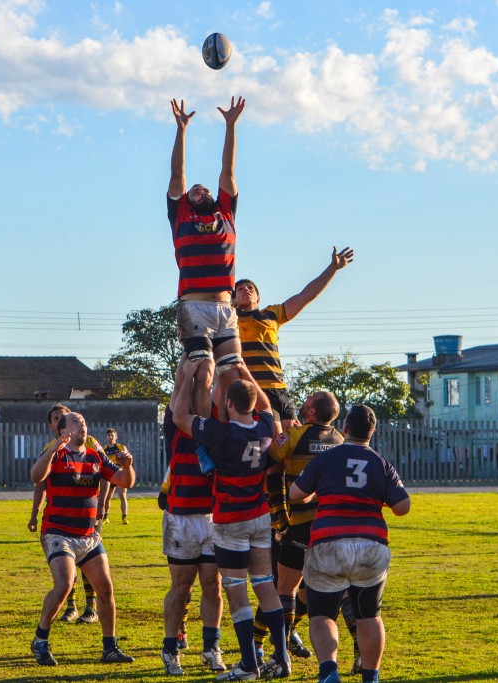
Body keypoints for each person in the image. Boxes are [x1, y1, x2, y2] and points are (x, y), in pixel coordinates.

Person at [171, 355, 290, 681]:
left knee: (236, 589)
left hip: (230, 521)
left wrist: (188, 377)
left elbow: (181, 417)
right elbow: (269, 409)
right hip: (259, 517)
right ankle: (281, 659)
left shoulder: (221, 434)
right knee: (266, 585)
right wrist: (243, 369)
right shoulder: (265, 427)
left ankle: (249, 666)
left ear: (227, 403)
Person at [288, 405, 411, 683]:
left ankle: (329, 671)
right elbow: (403, 506)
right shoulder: (381, 463)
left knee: (321, 615)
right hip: (371, 544)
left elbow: (295, 494)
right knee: (370, 616)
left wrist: (316, 493)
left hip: (329, 542)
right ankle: (371, 676)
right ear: (372, 432)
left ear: (344, 428)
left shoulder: (326, 459)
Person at [28, 411, 136, 667]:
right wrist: (54, 449)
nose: (82, 425)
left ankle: (109, 647)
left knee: (106, 589)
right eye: (76, 422)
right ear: (64, 430)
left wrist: (128, 466)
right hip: (58, 532)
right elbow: (36, 476)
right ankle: (40, 640)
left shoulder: (96, 455)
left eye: (84, 422)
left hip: (88, 535)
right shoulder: (56, 454)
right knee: (65, 584)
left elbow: (124, 481)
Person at [168, 95, 246, 419]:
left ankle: (231, 431)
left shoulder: (225, 212)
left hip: (226, 308)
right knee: (204, 369)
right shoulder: (182, 214)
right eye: (195, 191)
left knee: (235, 376)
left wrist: (231, 126)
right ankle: (202, 437)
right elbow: (178, 173)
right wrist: (182, 131)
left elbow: (228, 168)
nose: (202, 192)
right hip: (194, 305)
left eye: (205, 190)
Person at [234, 247, 354, 430]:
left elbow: (305, 295)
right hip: (257, 389)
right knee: (275, 438)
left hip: (280, 389)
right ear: (233, 299)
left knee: (291, 437)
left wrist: (333, 269)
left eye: (250, 288)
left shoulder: (273, 314)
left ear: (258, 297)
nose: (246, 290)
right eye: (240, 289)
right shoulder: (230, 318)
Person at [269, 391, 344, 658]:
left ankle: (281, 650)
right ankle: (357, 652)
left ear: (311, 412)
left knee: (285, 588)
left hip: (300, 524)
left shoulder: (297, 436)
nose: (304, 401)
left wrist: (276, 429)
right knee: (316, 588)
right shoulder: (339, 439)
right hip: (331, 527)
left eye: (308, 399)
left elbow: (271, 456)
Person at [159, 405, 226, 676]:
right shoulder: (176, 423)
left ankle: (211, 648)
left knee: (213, 585)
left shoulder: (217, 419)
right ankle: (171, 649)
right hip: (182, 516)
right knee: (181, 586)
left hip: (212, 516)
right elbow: (180, 393)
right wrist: (189, 364)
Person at [29, 404, 99, 623]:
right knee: (66, 568)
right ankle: (71, 606)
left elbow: (105, 471)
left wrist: (103, 506)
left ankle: (91, 606)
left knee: (89, 563)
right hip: (60, 518)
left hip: (87, 514)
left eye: (65, 416)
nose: (61, 419)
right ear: (53, 425)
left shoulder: (89, 442)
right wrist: (34, 513)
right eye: (56, 418)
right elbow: (39, 482)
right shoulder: (52, 448)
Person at [101, 428, 131, 525]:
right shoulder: (104, 449)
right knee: (107, 496)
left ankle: (124, 517)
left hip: (119, 473)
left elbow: (126, 455)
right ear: (106, 437)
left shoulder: (120, 447)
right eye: (108, 435)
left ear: (116, 437)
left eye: (112, 435)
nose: (110, 437)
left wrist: (123, 455)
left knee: (122, 495)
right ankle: (106, 516)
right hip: (109, 475)